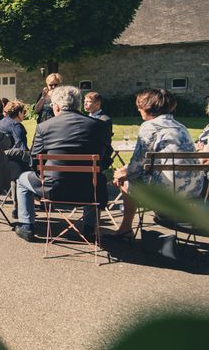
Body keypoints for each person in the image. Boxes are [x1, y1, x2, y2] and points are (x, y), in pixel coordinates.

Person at [15, 86, 112, 242]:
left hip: (53, 188)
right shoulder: (100, 126)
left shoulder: (44, 127)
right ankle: (89, 228)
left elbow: (34, 159)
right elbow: (106, 157)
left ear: (57, 106)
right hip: (90, 190)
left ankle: (27, 225)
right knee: (94, 176)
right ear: (79, 105)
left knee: (21, 179)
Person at [110, 89, 206, 237]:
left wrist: (121, 174)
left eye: (139, 106)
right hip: (194, 192)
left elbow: (136, 166)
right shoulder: (180, 126)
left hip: (166, 194)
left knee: (126, 182)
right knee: (127, 173)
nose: (138, 109)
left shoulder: (150, 126)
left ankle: (126, 229)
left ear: (147, 107)